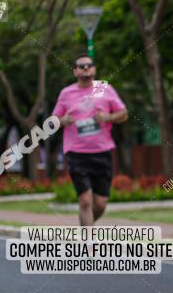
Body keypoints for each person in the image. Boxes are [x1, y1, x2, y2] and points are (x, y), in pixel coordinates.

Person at [52, 54, 128, 226]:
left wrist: (107, 117)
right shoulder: (67, 93)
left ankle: (87, 227)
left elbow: (123, 114)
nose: (85, 68)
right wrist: (63, 121)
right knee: (85, 201)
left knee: (100, 204)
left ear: (94, 69)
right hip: (76, 153)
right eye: (81, 66)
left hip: (102, 151)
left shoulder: (102, 88)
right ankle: (89, 242)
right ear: (74, 71)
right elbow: (52, 121)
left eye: (89, 65)